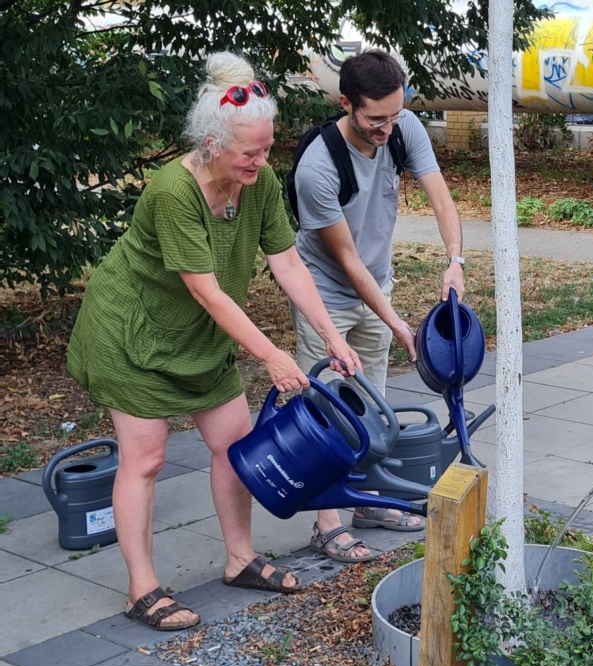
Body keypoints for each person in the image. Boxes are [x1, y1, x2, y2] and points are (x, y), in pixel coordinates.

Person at [66, 52, 364, 631]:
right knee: (146, 458)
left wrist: (332, 336)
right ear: (210, 145)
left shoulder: (260, 181)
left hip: (200, 332)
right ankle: (142, 589)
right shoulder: (173, 191)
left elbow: (288, 264)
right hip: (132, 330)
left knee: (234, 443)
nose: (262, 161)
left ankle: (240, 559)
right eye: (250, 152)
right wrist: (271, 355)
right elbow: (207, 291)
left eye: (267, 149)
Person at [291, 49, 465, 562]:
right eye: (376, 119)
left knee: (373, 402)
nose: (388, 128)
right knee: (327, 405)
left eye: (395, 114)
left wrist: (455, 261)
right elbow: (346, 261)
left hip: (377, 284)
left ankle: (366, 502)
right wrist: (400, 326)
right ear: (346, 104)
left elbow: (441, 198)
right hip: (324, 293)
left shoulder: (403, 127)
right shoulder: (318, 167)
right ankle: (326, 523)